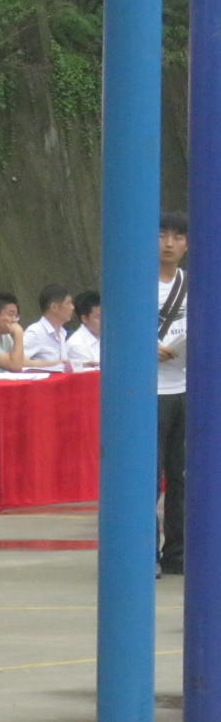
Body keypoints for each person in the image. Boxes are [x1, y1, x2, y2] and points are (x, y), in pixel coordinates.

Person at [157, 211, 189, 575]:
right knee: (148, 476)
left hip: (183, 388)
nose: (169, 243)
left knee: (180, 477)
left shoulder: (192, 283)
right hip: (149, 392)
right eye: (163, 235)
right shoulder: (137, 282)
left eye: (178, 237)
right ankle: (146, 552)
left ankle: (177, 554)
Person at [23, 284, 75, 369]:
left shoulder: (62, 332)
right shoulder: (35, 332)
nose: (72, 307)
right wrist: (53, 364)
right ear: (54, 307)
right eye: (68, 303)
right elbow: (18, 361)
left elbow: (63, 364)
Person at [66, 290, 101, 368]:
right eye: (99, 317)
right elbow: (93, 373)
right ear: (84, 318)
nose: (104, 321)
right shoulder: (76, 345)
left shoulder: (108, 338)